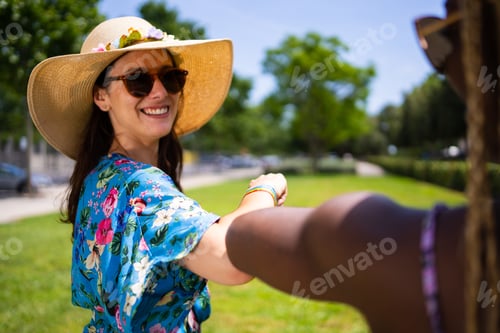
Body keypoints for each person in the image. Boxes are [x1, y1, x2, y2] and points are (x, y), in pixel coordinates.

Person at [225, 1, 500, 333]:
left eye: (445, 37)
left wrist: (263, 188)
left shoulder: (382, 242)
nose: (447, 62)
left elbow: (239, 235)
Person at [27, 16, 287, 332]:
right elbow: (234, 259)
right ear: (101, 96)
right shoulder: (140, 185)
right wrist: (264, 190)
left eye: (171, 77)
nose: (160, 92)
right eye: (138, 79)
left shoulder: (99, 178)